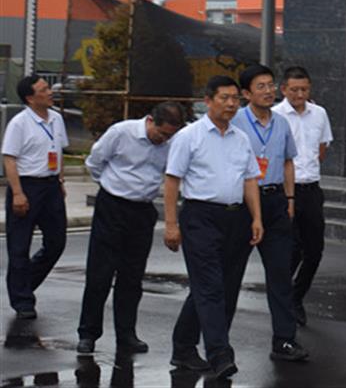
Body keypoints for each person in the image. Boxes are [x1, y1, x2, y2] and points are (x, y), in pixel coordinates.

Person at [165, 75, 263, 380]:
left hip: (235, 218)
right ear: (208, 100)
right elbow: (172, 180)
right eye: (224, 98)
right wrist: (171, 224)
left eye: (235, 98)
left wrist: (256, 218)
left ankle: (183, 347)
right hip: (200, 217)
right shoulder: (189, 136)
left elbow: (250, 180)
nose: (231, 104)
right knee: (209, 286)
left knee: (226, 287)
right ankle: (220, 353)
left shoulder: (241, 138)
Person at [77, 101, 186, 354]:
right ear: (151, 120)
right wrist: (112, 185)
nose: (163, 140)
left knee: (132, 277)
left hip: (142, 211)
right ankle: (88, 334)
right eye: (161, 133)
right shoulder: (121, 132)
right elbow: (95, 162)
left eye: (169, 136)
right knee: (100, 274)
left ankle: (126, 334)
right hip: (112, 207)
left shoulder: (172, 143)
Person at [230, 64, 309, 362]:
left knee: (280, 273)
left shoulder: (281, 123)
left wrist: (289, 199)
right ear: (246, 93)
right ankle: (217, 343)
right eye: (260, 86)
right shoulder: (235, 121)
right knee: (230, 273)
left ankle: (284, 340)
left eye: (270, 85)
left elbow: (288, 162)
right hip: (241, 203)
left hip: (275, 201)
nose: (268, 91)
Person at [2, 74, 69, 319]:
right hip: (27, 185)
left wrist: (60, 179)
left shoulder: (57, 119)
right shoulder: (19, 123)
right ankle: (22, 301)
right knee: (19, 246)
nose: (50, 92)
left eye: (48, 88)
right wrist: (18, 193)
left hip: (51, 186)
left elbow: (58, 151)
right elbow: (10, 159)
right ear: (30, 98)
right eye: (43, 90)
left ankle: (24, 283)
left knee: (56, 242)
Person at [273, 65, 333, 327]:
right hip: (284, 190)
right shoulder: (275, 115)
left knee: (315, 250)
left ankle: (296, 296)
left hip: (311, 188)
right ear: (284, 89)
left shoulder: (319, 113)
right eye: (294, 90)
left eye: (304, 89)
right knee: (291, 248)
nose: (300, 94)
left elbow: (322, 148)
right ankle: (283, 298)